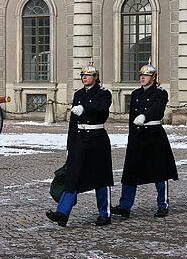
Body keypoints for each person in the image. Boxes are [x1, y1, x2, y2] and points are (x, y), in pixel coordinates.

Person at [46, 60, 113, 227]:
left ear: (96, 77)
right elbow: (72, 125)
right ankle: (62, 213)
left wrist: (85, 108)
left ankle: (104, 214)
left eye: (88, 75)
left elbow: (101, 106)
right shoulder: (78, 94)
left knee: (100, 177)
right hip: (80, 138)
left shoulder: (104, 93)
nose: (84, 77)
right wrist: (70, 147)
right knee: (72, 176)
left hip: (97, 138)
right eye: (83, 75)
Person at [112, 59, 178, 218]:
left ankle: (163, 204)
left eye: (146, 75)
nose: (142, 77)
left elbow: (158, 109)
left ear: (153, 78)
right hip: (138, 135)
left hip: (154, 135)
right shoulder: (135, 93)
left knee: (160, 171)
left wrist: (145, 116)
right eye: (141, 75)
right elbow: (132, 118)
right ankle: (125, 205)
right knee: (130, 171)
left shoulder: (160, 92)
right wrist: (132, 135)